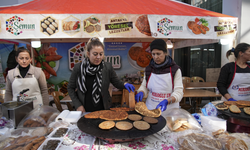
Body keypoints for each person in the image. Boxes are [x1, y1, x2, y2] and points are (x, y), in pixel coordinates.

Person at [67, 37, 135, 113]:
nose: (98, 57)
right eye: (95, 54)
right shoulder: (78, 68)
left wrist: (125, 84)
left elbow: (116, 82)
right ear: (88, 54)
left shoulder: (107, 67)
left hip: (103, 108)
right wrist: (78, 105)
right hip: (84, 109)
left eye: (101, 54)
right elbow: (70, 88)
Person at [134, 39, 183, 116]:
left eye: (158, 54)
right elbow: (144, 86)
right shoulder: (149, 69)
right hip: (150, 110)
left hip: (169, 111)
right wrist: (141, 92)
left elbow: (179, 92)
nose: (156, 57)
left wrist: (168, 101)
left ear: (165, 53)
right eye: (153, 54)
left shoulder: (175, 69)